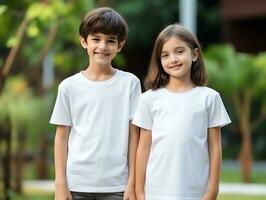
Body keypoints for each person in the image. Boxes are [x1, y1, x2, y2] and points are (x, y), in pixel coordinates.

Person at [50, 7, 141, 200]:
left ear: (120, 45)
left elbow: (134, 135)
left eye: (111, 41)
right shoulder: (69, 86)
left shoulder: (130, 83)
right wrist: (60, 184)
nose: (103, 46)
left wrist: (132, 183)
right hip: (76, 184)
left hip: (117, 185)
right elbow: (62, 137)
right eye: (96, 39)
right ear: (84, 41)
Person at [133, 24, 231, 200]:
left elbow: (215, 147)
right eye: (165, 55)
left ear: (194, 54)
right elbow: (143, 147)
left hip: (195, 192)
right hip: (156, 192)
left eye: (179, 51)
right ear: (159, 60)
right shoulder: (148, 99)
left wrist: (212, 190)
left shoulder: (209, 98)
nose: (173, 59)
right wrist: (140, 192)